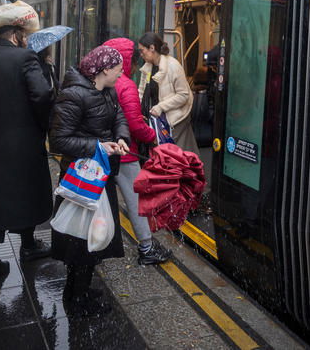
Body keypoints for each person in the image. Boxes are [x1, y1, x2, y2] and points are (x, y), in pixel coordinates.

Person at [0, 2, 55, 281]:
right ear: (16, 34)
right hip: (23, 140)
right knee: (26, 190)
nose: (27, 39)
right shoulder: (25, 59)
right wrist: (45, 126)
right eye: (25, 35)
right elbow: (42, 96)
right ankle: (28, 245)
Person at [49, 45, 130, 314]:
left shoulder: (107, 89)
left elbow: (118, 116)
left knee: (92, 236)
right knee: (80, 239)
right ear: (104, 70)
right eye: (118, 69)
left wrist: (120, 138)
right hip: (82, 178)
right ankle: (75, 299)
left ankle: (80, 290)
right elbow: (58, 140)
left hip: (101, 174)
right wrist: (98, 145)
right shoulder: (73, 95)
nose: (121, 74)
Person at [103, 38, 171, 265]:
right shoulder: (125, 85)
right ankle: (147, 248)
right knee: (136, 201)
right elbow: (133, 124)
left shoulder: (102, 80)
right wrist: (153, 137)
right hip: (125, 153)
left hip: (104, 149)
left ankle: (95, 247)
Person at [138, 32, 200, 155]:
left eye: (142, 50)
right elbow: (141, 91)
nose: (140, 54)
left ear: (152, 48)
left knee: (179, 159)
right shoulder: (147, 67)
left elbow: (183, 95)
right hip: (158, 120)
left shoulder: (173, 66)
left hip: (175, 121)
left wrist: (161, 107)